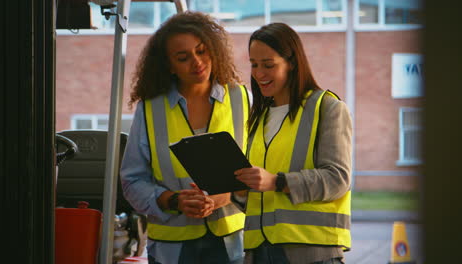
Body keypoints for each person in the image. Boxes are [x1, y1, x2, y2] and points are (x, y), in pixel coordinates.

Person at [120, 11, 251, 264]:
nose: (197, 62)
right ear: (169, 65)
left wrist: (231, 194)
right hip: (172, 247)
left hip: (232, 242)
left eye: (201, 51)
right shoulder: (150, 109)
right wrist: (174, 200)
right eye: (183, 57)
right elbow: (132, 181)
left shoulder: (242, 98)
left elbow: (263, 169)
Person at [233, 23, 352, 264]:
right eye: (254, 65)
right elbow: (259, 193)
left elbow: (338, 179)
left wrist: (277, 181)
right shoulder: (259, 117)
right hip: (259, 252)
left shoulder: (327, 108)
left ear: (292, 63)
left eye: (268, 65)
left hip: (312, 252)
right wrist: (240, 191)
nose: (259, 73)